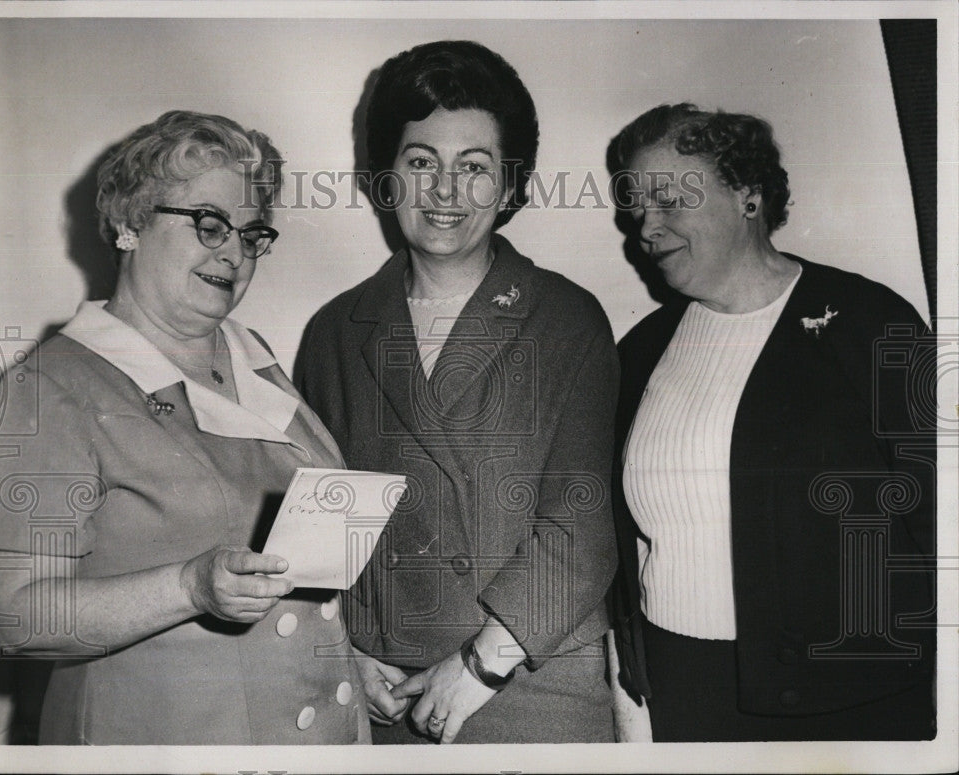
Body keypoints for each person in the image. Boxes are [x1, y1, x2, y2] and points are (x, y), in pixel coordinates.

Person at [0, 110, 369, 745]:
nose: (234, 253)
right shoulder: (49, 387)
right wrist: (189, 587)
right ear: (129, 224)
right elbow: (18, 615)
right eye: (209, 224)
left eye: (250, 235)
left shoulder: (255, 355)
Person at [297, 40, 619, 744]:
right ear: (387, 178)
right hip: (386, 687)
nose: (445, 192)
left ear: (508, 187)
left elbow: (585, 526)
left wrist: (477, 665)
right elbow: (320, 526)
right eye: (421, 162)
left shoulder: (565, 318)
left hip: (532, 677)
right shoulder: (334, 330)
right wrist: (345, 646)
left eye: (474, 167)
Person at [606, 103, 936, 741]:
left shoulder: (866, 321)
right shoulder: (641, 349)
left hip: (846, 703)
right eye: (637, 206)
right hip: (682, 690)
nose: (646, 226)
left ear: (748, 195)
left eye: (671, 198)